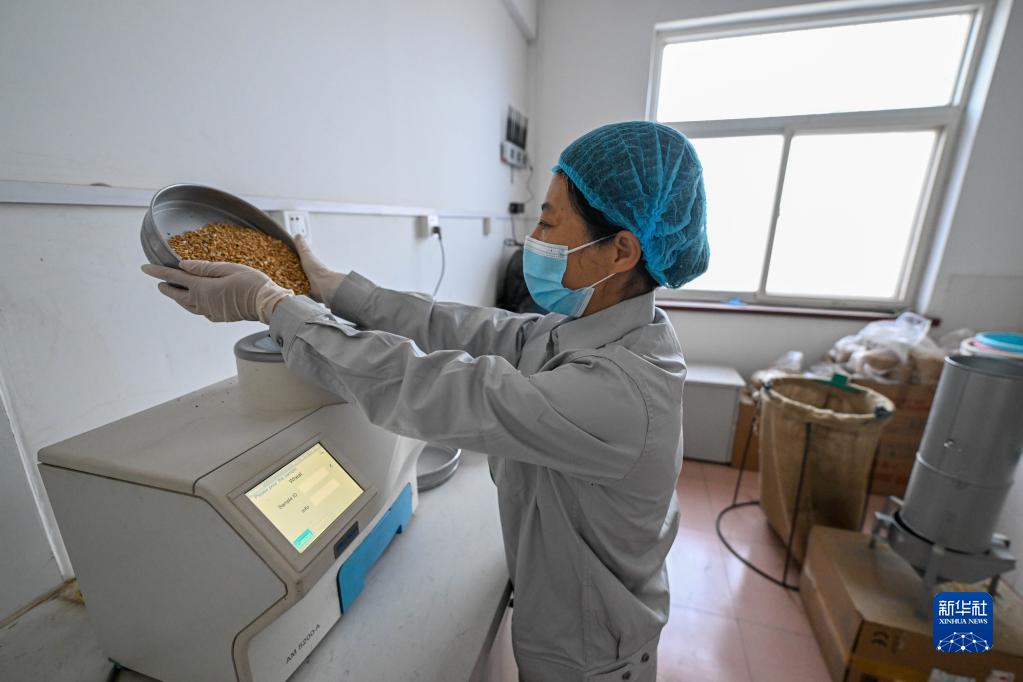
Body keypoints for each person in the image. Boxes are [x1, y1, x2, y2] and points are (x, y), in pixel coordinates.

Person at [142, 120, 708, 682]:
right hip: (565, 615)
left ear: (620, 251)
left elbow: (428, 386)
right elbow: (467, 328)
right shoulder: (589, 330)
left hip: (592, 657)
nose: (533, 237)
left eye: (548, 222)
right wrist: (335, 290)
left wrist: (273, 307)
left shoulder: (619, 393)